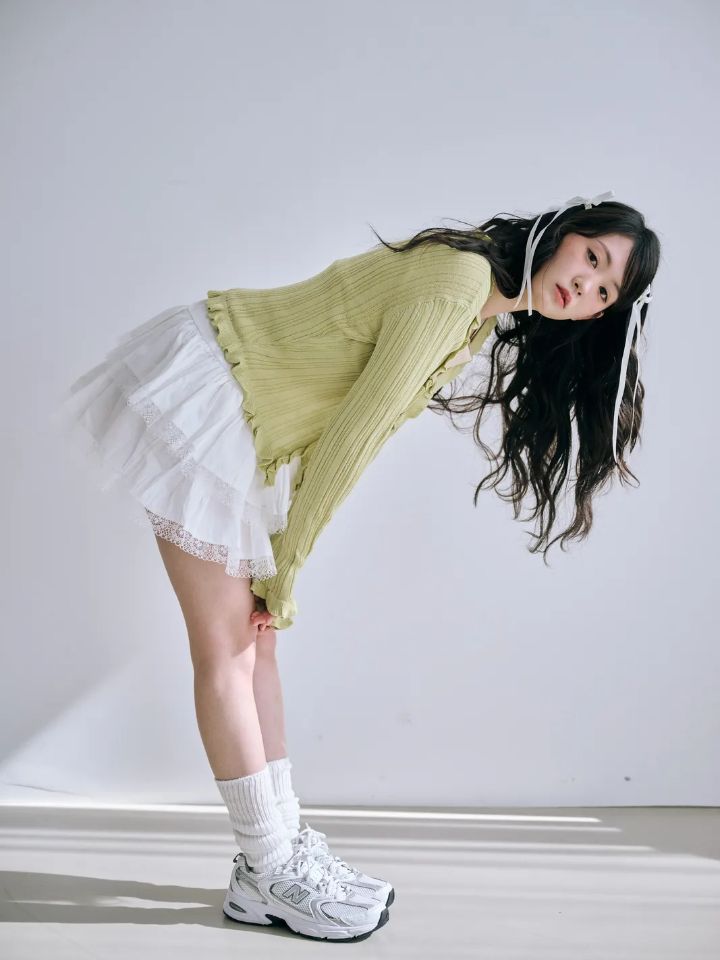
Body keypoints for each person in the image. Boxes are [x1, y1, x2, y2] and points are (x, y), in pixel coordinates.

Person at [51, 190, 660, 942]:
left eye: (605, 292)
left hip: (244, 416)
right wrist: (288, 565)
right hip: (215, 390)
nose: (586, 285)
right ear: (564, 233)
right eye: (592, 257)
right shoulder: (458, 286)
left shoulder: (478, 307)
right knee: (227, 648)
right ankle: (269, 866)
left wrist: (284, 559)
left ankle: (275, 851)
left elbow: (344, 430)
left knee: (255, 644)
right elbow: (353, 437)